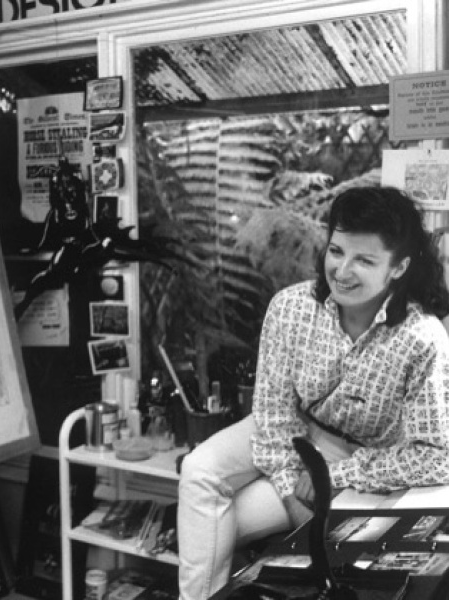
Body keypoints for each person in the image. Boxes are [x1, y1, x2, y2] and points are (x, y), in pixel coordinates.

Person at [176, 186, 449, 600]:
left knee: (217, 525)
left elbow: (436, 456)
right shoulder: (290, 306)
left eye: (364, 260)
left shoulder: (422, 336)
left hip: (365, 456)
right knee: (198, 470)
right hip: (295, 430)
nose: (342, 270)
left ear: (398, 267)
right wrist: (291, 491)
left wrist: (333, 477)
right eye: (336, 251)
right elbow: (273, 413)